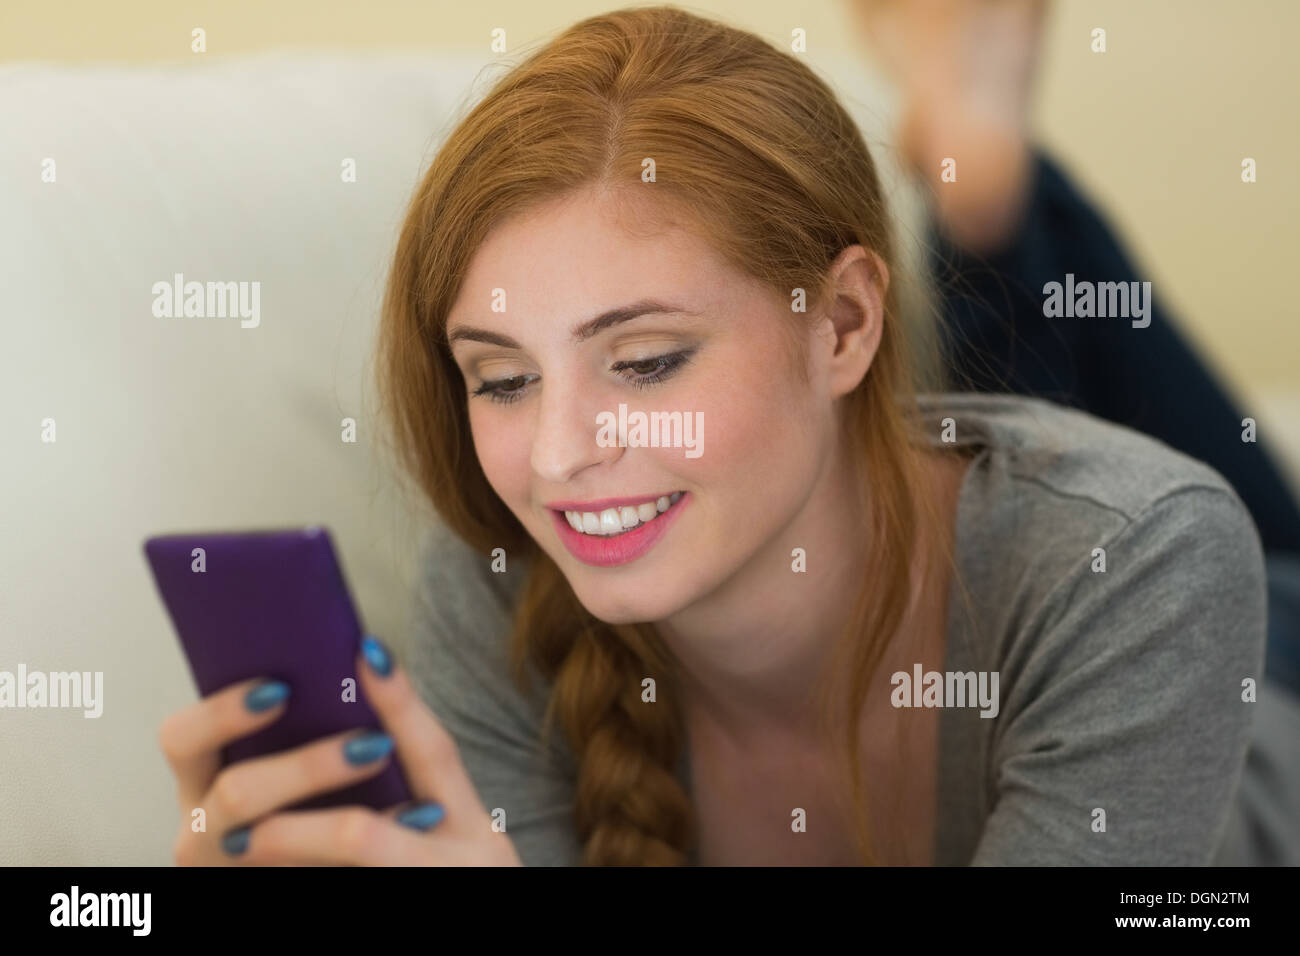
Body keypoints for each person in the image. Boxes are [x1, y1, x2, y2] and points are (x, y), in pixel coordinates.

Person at [159, 5, 1284, 866]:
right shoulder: (504, 581)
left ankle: (982, 182)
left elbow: (1153, 547)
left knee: (1142, 495)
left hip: (1266, 642)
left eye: (645, 362)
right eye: (500, 378)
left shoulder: (1142, 565)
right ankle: (974, 169)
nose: (554, 457)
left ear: (842, 321)